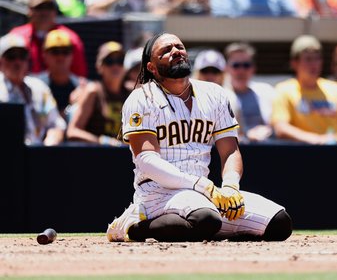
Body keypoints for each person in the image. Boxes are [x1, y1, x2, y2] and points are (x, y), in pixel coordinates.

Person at [106, 33, 292, 242]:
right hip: (157, 193)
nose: (175, 51)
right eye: (166, 50)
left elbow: (230, 150)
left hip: (204, 194)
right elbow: (146, 160)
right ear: (151, 67)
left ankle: (207, 228)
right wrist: (203, 186)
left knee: (279, 223)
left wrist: (230, 186)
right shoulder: (142, 97)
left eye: (179, 46)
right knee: (205, 218)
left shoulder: (214, 93)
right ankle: (133, 225)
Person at [271, 35, 337, 145]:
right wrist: (316, 140)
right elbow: (281, 128)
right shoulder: (284, 90)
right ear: (294, 63)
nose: (314, 64)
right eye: (308, 59)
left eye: (317, 58)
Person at [0, 33, 66, 146]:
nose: (17, 62)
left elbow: (55, 125)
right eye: (11, 57)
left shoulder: (39, 88)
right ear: (1, 61)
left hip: (37, 155)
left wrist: (47, 148)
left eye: (22, 56)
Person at [10, 0, 88, 77]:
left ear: (55, 11)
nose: (44, 12)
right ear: (29, 10)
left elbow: (80, 76)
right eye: (40, 7)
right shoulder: (16, 37)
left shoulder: (70, 38)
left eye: (49, 7)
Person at [66, 41, 129, 146]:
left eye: (120, 61)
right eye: (109, 61)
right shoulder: (93, 92)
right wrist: (103, 142)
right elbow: (73, 131)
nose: (115, 66)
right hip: (99, 156)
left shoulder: (132, 92)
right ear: (99, 67)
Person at [224, 42, 276, 143]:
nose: (241, 70)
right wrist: (247, 135)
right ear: (227, 69)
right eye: (236, 65)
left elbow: (279, 122)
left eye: (246, 65)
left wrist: (269, 129)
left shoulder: (266, 91)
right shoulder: (220, 95)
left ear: (253, 68)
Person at [36, 29, 86, 119]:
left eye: (65, 52)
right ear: (44, 55)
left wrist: (85, 100)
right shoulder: (35, 86)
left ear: (72, 55)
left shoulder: (82, 87)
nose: (60, 57)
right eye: (55, 52)